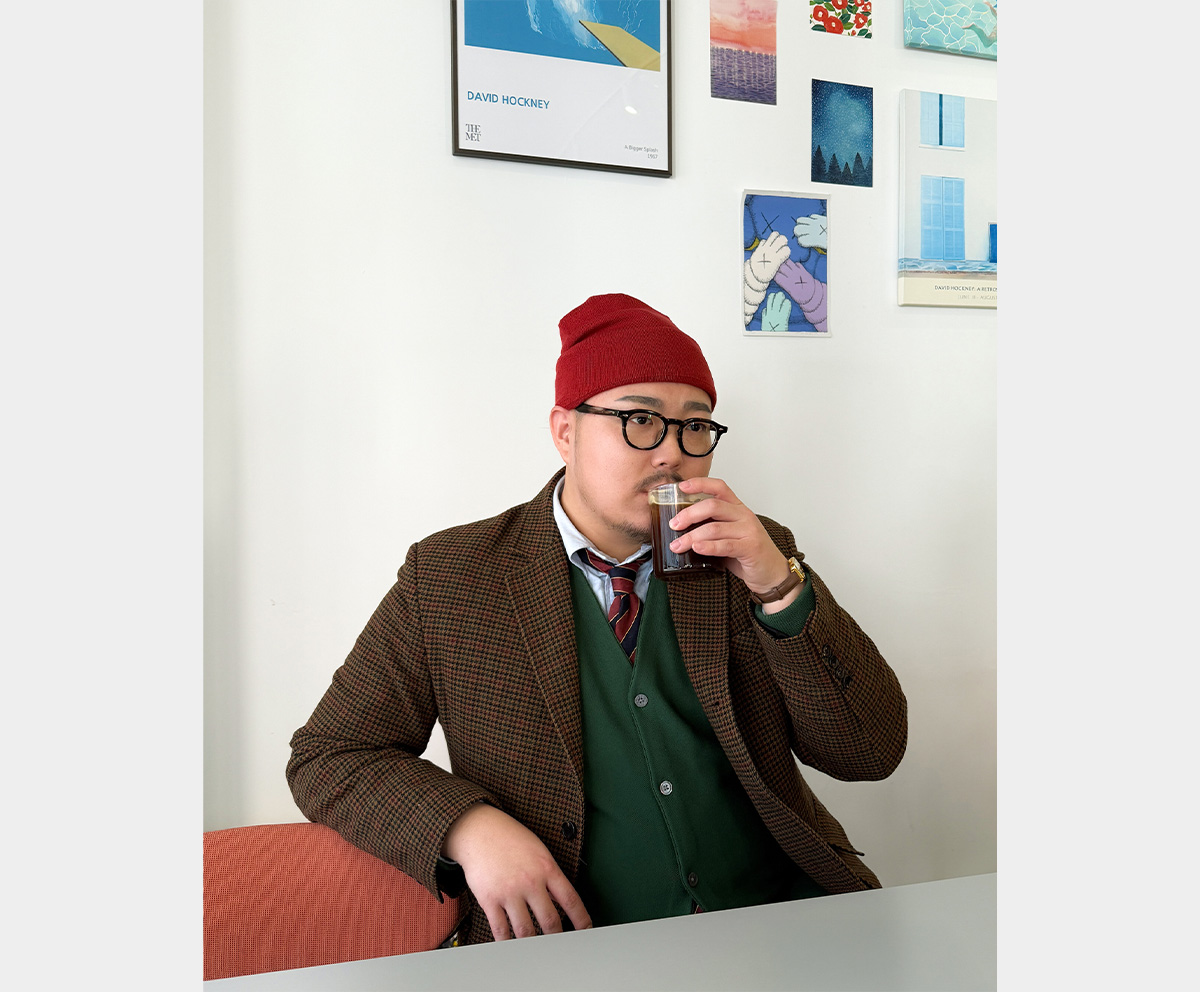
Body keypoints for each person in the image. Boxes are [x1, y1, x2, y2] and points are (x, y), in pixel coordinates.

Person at [287, 293, 907, 945]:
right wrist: (468, 828)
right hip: (571, 949)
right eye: (640, 420)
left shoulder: (750, 552)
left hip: (779, 922)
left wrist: (778, 588)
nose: (672, 453)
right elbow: (330, 755)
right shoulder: (451, 576)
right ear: (565, 430)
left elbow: (869, 752)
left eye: (696, 426)